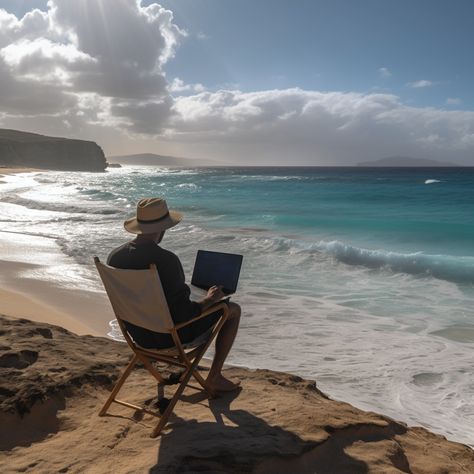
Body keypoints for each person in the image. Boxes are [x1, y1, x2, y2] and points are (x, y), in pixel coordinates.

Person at [107, 197, 241, 393]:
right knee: (233, 309)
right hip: (170, 338)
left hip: (138, 335)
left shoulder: (115, 256)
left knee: (197, 301)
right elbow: (183, 315)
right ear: (163, 228)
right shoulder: (166, 261)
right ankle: (214, 377)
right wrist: (210, 299)